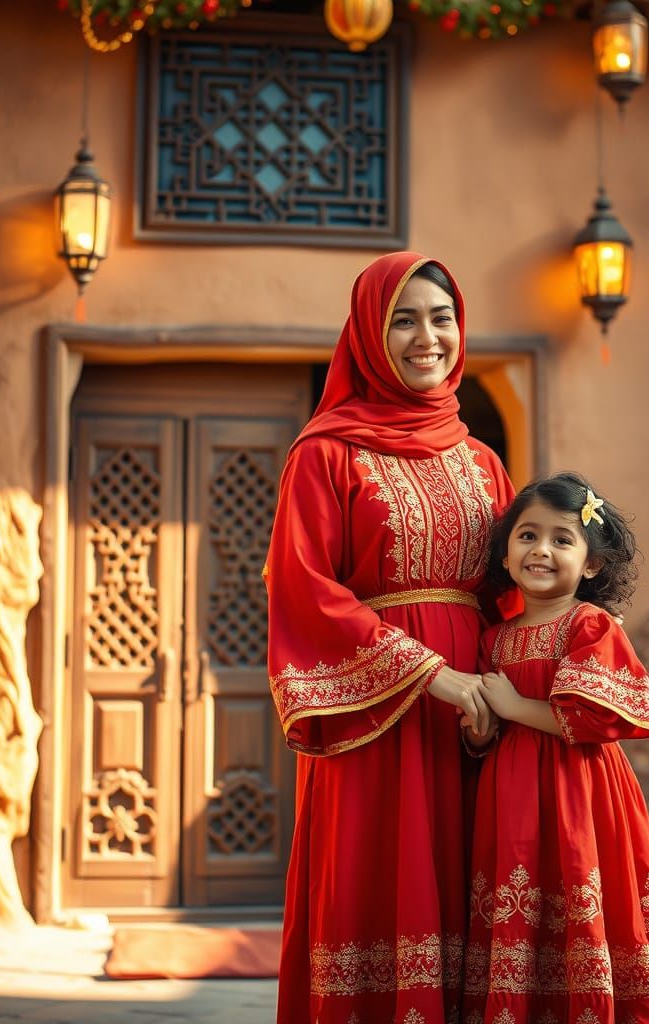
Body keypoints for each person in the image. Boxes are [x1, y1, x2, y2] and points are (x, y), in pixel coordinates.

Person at [265, 251, 513, 1023]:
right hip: (374, 719)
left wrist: (514, 694)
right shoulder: (324, 453)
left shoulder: (483, 462)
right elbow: (304, 589)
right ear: (369, 333)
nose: (425, 336)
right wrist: (432, 677)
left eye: (441, 318)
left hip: (476, 721)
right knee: (379, 889)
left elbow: (510, 594)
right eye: (402, 319)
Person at [461, 472, 649, 1023]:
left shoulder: (590, 626)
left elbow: (597, 718)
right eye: (527, 536)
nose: (541, 550)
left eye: (562, 539)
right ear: (506, 550)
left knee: (580, 888)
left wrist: (515, 706)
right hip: (510, 794)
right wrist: (479, 729)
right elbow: (481, 729)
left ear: (591, 563)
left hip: (581, 794)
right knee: (520, 897)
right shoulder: (494, 637)